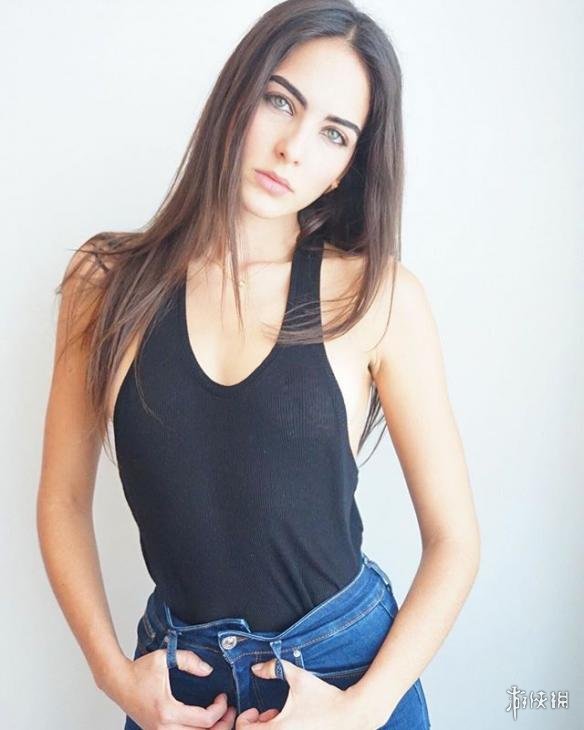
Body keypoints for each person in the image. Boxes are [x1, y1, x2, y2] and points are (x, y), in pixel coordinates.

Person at [37, 0, 480, 728]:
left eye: (334, 134)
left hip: (343, 675)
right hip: (178, 690)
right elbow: (61, 501)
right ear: (237, 94)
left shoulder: (377, 296)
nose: (293, 149)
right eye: (281, 101)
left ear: (346, 168)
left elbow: (455, 541)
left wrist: (360, 712)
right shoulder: (103, 282)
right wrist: (114, 677)